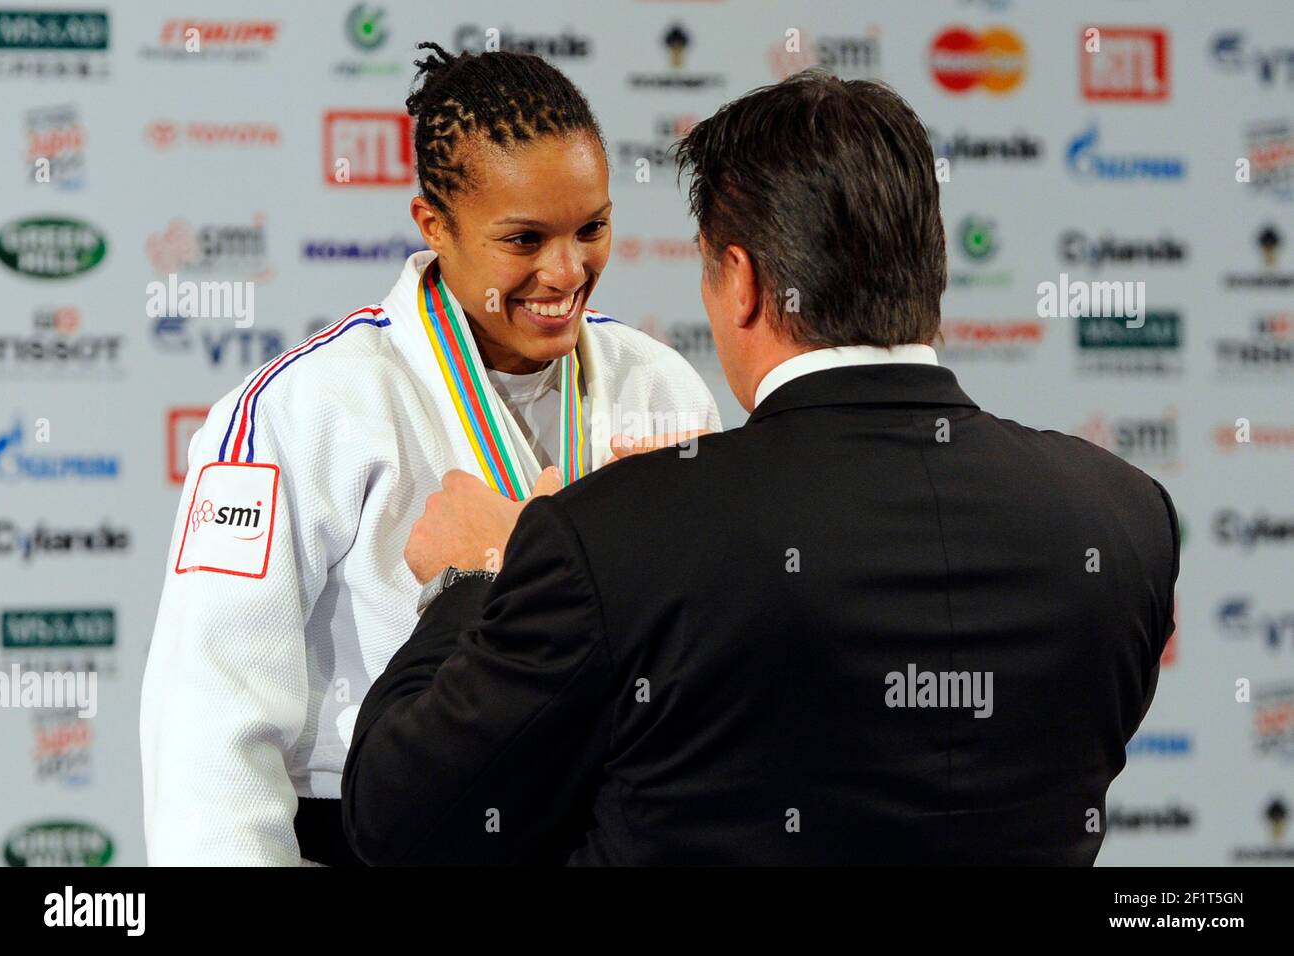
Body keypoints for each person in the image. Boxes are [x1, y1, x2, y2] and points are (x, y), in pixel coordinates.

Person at [341, 72, 1180, 866]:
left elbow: (399, 821)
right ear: (934, 264)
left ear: (739, 283)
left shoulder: (610, 535)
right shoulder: (1126, 519)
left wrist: (478, 572)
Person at [140, 43, 720, 866]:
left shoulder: (662, 392)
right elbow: (209, 727)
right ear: (434, 225)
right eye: (524, 239)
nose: (568, 269)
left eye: (592, 227)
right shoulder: (302, 410)